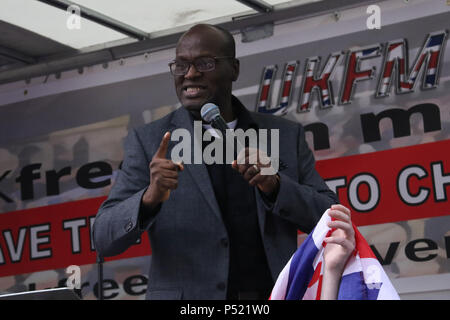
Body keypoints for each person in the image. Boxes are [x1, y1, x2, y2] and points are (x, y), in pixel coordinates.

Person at [93, 23, 351, 300]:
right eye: (181, 66)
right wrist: (148, 199)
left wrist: (276, 186)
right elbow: (103, 239)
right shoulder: (150, 141)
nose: (190, 74)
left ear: (234, 69)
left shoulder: (283, 135)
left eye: (205, 63)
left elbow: (330, 217)